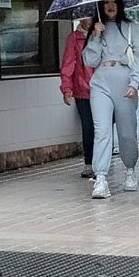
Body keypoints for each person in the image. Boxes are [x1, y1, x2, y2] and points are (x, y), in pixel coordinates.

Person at [82, 0, 139, 199]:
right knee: (101, 130)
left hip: (125, 81)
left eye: (114, 2)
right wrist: (95, 36)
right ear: (100, 7)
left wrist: (134, 83)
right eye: (106, 3)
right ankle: (100, 177)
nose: (110, 6)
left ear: (120, 6)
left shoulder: (131, 28)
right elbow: (89, 61)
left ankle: (130, 170)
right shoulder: (97, 29)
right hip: (100, 81)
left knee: (126, 132)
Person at [59, 16, 97, 179]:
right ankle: (89, 163)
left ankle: (101, 160)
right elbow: (67, 64)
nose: (87, 19)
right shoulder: (74, 38)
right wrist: (67, 88)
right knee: (88, 127)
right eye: (84, 16)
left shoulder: (102, 34)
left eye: (90, 14)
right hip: (83, 90)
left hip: (102, 89)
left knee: (103, 126)